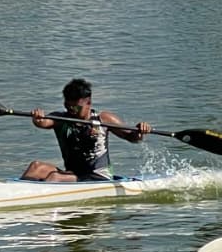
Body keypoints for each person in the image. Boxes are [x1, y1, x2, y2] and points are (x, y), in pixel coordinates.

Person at [20, 78, 151, 182]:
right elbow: (43, 122)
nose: (70, 110)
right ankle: (17, 194)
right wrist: (37, 118)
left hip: (98, 177)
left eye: (75, 107)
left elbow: (132, 137)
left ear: (88, 103)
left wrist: (140, 131)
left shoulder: (104, 119)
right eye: (67, 105)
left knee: (55, 177)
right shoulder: (61, 118)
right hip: (73, 173)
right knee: (36, 167)